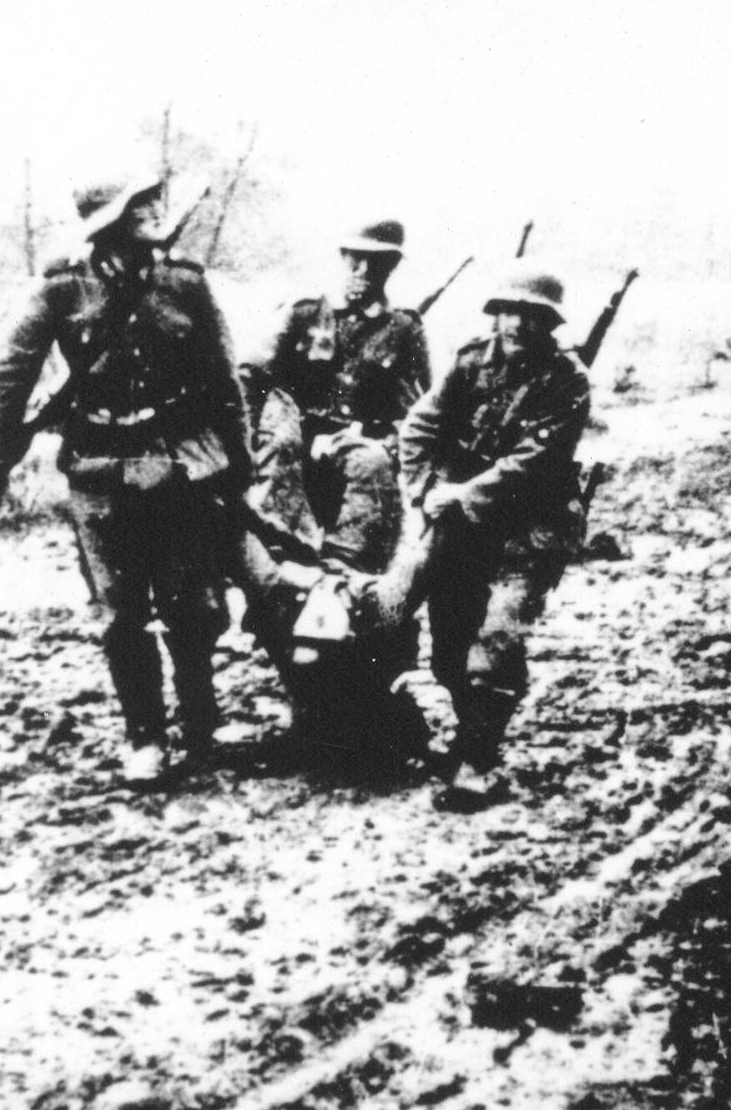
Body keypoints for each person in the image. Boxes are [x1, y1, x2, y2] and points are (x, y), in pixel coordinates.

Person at [0, 172, 249, 785]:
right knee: (121, 615)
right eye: (141, 205)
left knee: (192, 606)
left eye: (154, 203)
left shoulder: (184, 283)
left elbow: (224, 379)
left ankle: (200, 718)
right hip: (99, 469)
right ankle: (145, 736)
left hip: (177, 465)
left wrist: (238, 462)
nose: (155, 212)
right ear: (111, 220)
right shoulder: (63, 288)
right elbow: (3, 375)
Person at [235, 220, 433, 765]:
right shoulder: (304, 314)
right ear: (341, 258)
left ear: (391, 269)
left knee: (354, 602)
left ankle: (363, 718)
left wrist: (375, 439)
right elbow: (251, 379)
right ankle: (313, 714)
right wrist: (261, 442)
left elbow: (418, 418)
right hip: (294, 475)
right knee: (282, 594)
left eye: (377, 264)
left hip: (361, 482)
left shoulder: (403, 329)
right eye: (354, 260)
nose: (362, 273)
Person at [399, 263, 592, 808]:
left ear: (549, 324)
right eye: (508, 312)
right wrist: (425, 489)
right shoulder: (469, 363)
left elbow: (535, 461)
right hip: (463, 525)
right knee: (449, 650)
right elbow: (420, 425)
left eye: (531, 316)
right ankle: (470, 735)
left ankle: (477, 761)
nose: (516, 325)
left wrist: (459, 493)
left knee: (495, 644)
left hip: (531, 529)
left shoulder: (568, 380)